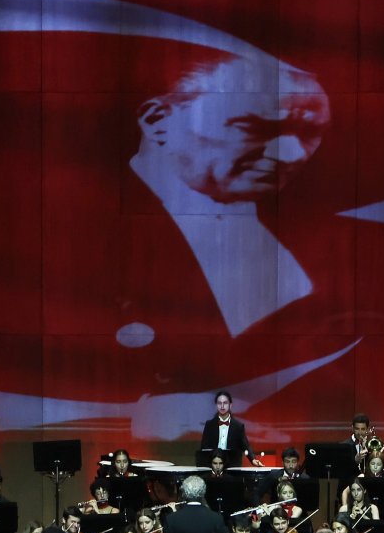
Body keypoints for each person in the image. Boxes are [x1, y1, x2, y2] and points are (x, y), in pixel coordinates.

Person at [129, 55, 331, 339]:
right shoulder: (68, 232)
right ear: (158, 123)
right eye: (257, 128)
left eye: (310, 132)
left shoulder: (328, 243)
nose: (292, 155)